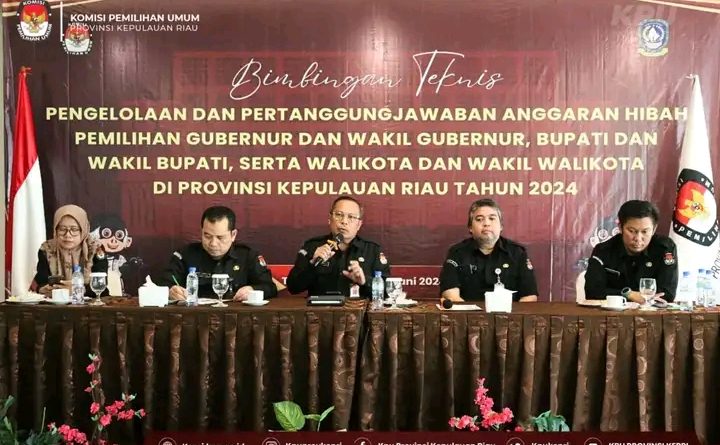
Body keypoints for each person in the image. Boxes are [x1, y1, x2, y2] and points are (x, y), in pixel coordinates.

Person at [158, 206, 277, 301]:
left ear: (233, 235)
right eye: (207, 236)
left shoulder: (248, 256)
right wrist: (170, 290)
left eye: (220, 237)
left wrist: (252, 290)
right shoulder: (186, 254)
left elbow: (270, 287)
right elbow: (164, 282)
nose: (213, 243)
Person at [287, 196, 390, 297]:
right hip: (320, 308)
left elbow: (387, 292)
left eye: (351, 217)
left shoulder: (372, 251)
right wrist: (312, 264)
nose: (344, 221)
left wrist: (364, 281)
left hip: (358, 308)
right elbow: (293, 287)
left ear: (359, 225)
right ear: (330, 219)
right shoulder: (312, 246)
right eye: (339, 215)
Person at [439, 199, 538, 302]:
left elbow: (529, 296)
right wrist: (469, 311)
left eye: (492, 218)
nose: (486, 223)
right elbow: (450, 294)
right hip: (468, 311)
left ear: (501, 226)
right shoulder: (457, 253)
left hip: (509, 312)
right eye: (479, 219)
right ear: (470, 227)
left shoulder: (517, 253)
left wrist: (512, 313)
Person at [584, 200, 678, 302]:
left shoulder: (664, 248)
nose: (638, 238)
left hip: (651, 310)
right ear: (620, 228)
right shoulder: (603, 251)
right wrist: (628, 294)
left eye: (645, 232)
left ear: (654, 229)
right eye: (632, 231)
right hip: (613, 310)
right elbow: (592, 292)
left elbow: (668, 293)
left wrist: (640, 298)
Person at [32, 204, 108, 296]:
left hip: (88, 303)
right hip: (56, 302)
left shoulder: (95, 248)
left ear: (84, 230)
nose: (68, 235)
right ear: (55, 230)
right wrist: (42, 289)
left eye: (74, 229)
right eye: (62, 229)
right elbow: (41, 282)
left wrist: (79, 289)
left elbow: (102, 288)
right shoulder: (47, 249)